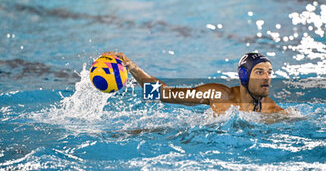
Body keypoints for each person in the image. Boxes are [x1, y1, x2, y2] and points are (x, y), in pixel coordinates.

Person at [104, 51, 284, 115]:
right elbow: (164, 95)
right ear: (244, 76)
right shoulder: (219, 94)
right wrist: (133, 67)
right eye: (259, 72)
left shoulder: (271, 110)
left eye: (269, 72)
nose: (266, 77)